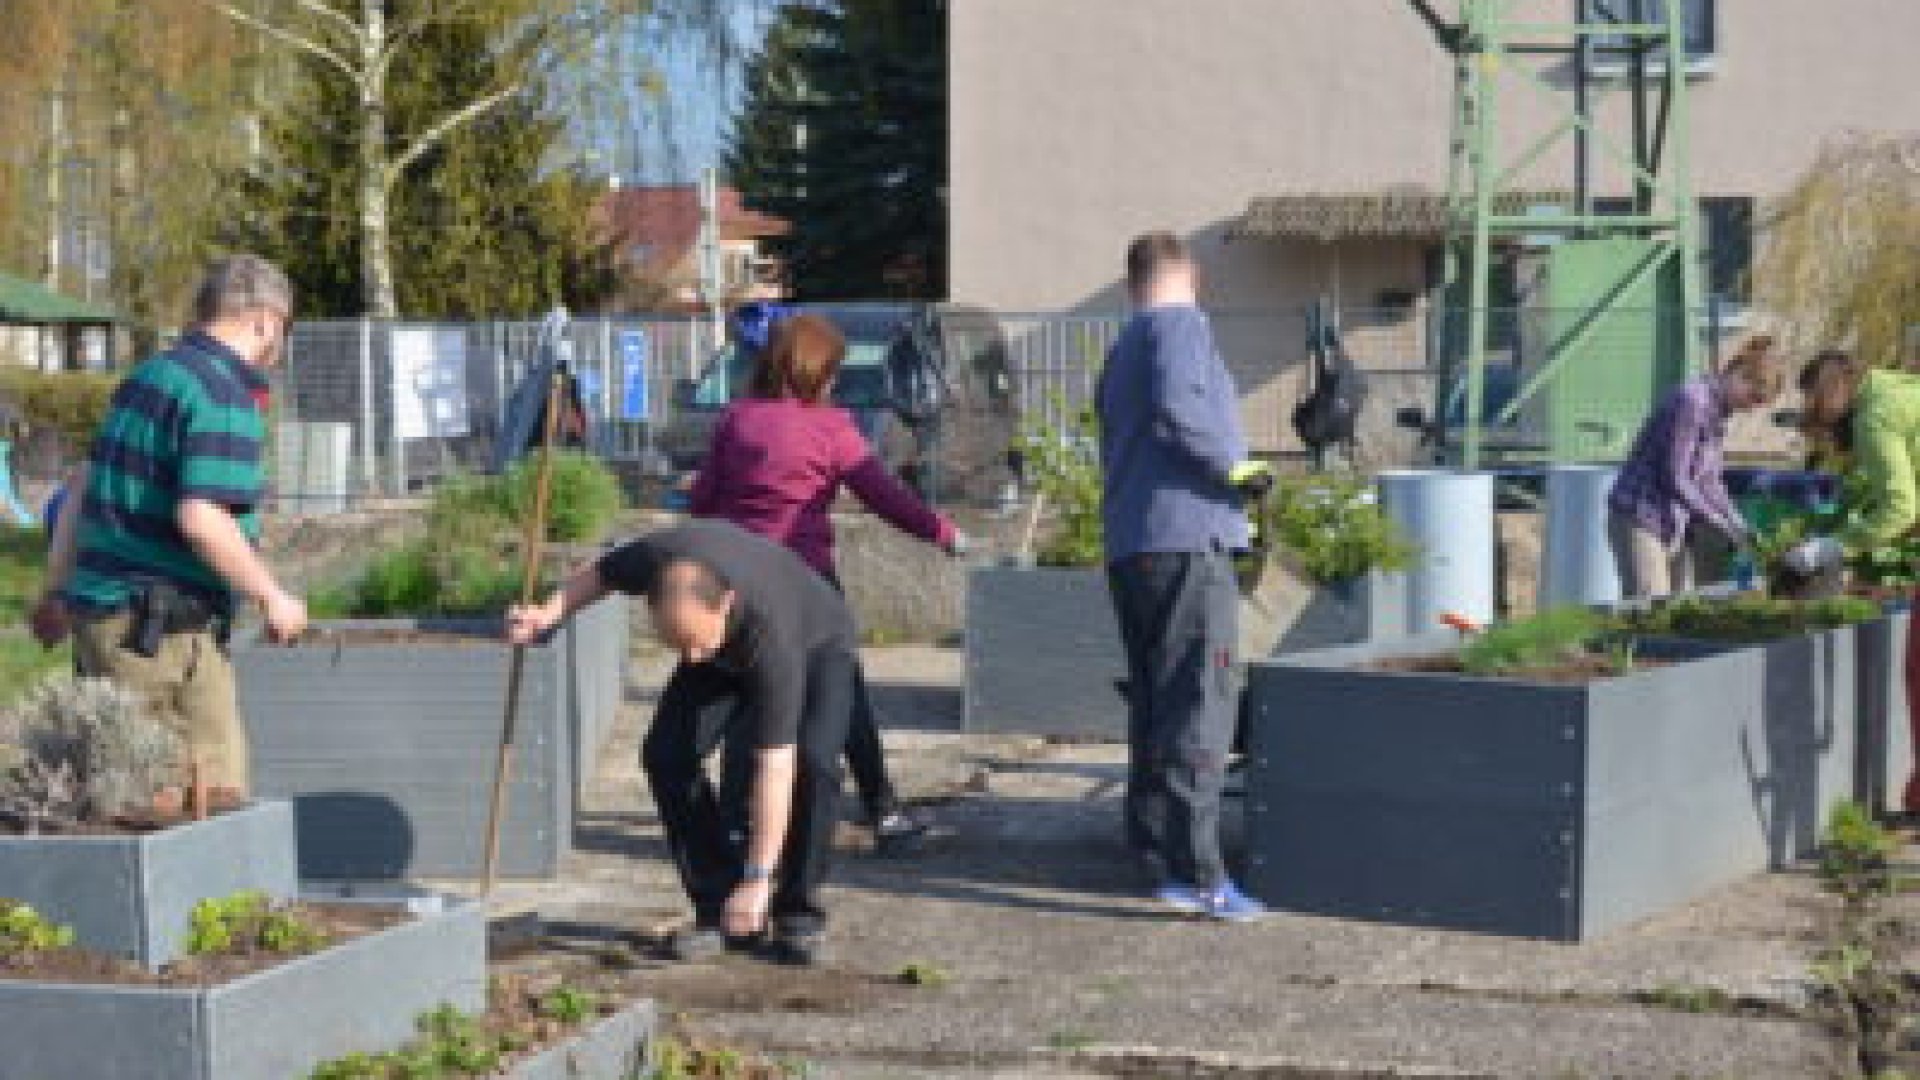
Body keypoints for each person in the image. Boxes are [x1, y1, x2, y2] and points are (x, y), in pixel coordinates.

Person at [508, 519, 859, 966]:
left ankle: (797, 914)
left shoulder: (774, 640)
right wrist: (548, 612)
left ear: (725, 603)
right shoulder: (653, 560)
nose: (689, 659)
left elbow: (774, 766)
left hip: (818, 644)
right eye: (675, 644)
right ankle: (718, 910)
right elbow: (599, 575)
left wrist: (757, 878)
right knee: (667, 754)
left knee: (814, 763)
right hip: (727, 639)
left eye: (692, 642)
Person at [30, 254, 308, 805]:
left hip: (107, 622)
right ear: (264, 322)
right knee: (203, 807)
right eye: (285, 331)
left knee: (116, 806)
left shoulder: (149, 378)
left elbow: (80, 488)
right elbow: (203, 518)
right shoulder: (223, 393)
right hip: (162, 636)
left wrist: (58, 590)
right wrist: (272, 596)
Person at [689, 312, 962, 852]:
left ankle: (738, 821)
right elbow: (883, 496)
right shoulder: (833, 428)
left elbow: (702, 503)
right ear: (815, 372)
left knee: (751, 696)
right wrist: (940, 531)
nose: (836, 381)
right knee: (845, 695)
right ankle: (881, 808)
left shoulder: (736, 419)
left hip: (740, 581)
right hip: (809, 581)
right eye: (832, 371)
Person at [1095, 231, 1268, 922]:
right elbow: (1182, 407)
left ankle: (1150, 845)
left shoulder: (1123, 348)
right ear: (1189, 274)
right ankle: (1199, 874)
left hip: (1132, 542)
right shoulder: (1182, 328)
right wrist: (1236, 468)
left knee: (1155, 700)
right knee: (1201, 700)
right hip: (1187, 541)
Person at [1785, 352, 1920, 813]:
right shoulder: (1892, 387)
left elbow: (1901, 508)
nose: (1814, 413)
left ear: (1829, 392)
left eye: (1811, 401)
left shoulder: (1875, 415)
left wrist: (1833, 547)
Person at [1606, 336, 1786, 598]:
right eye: (1754, 397)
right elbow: (1675, 477)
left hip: (1670, 522)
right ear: (1741, 373)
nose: (1751, 407)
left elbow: (1709, 481)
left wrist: (1738, 523)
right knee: (1651, 610)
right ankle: (1611, 640)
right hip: (1639, 515)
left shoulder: (1718, 414)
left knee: (1677, 610)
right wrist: (1716, 521)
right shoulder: (1693, 401)